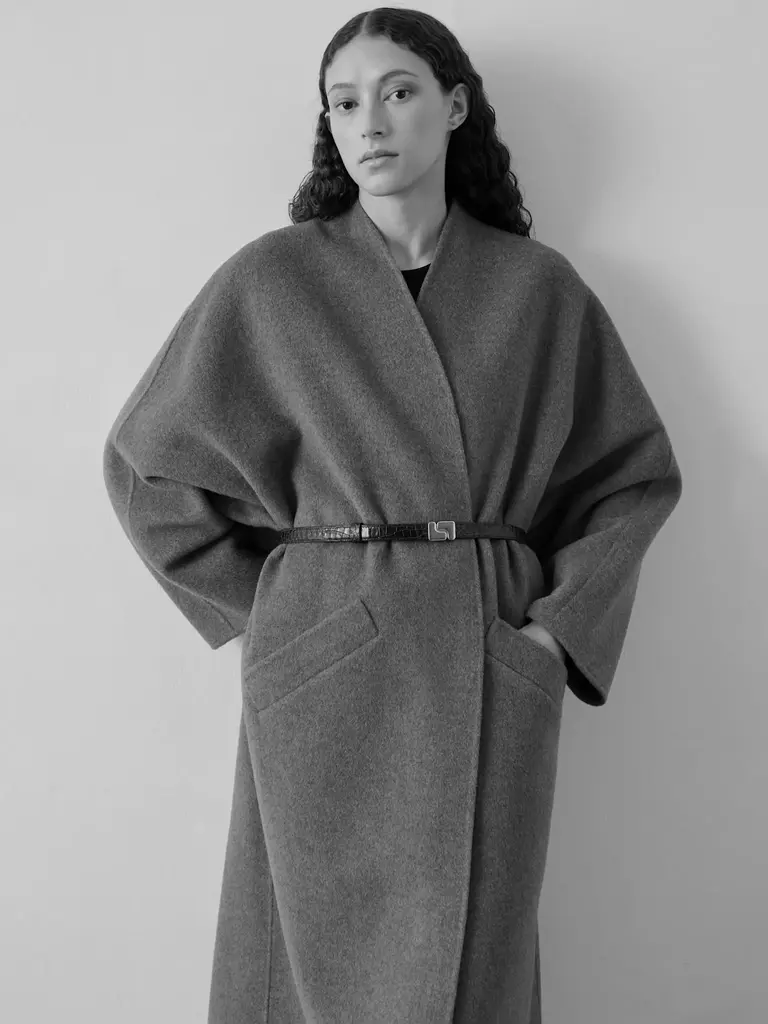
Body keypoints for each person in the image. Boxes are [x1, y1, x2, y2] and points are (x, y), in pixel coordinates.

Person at [102, 8, 683, 1024]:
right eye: (344, 101)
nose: (369, 120)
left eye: (398, 91)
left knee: (476, 962)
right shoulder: (274, 280)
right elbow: (145, 468)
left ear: (454, 107)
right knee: (301, 963)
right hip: (322, 666)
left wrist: (552, 636)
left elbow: (630, 480)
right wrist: (284, 614)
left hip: (486, 657)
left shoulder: (537, 290)